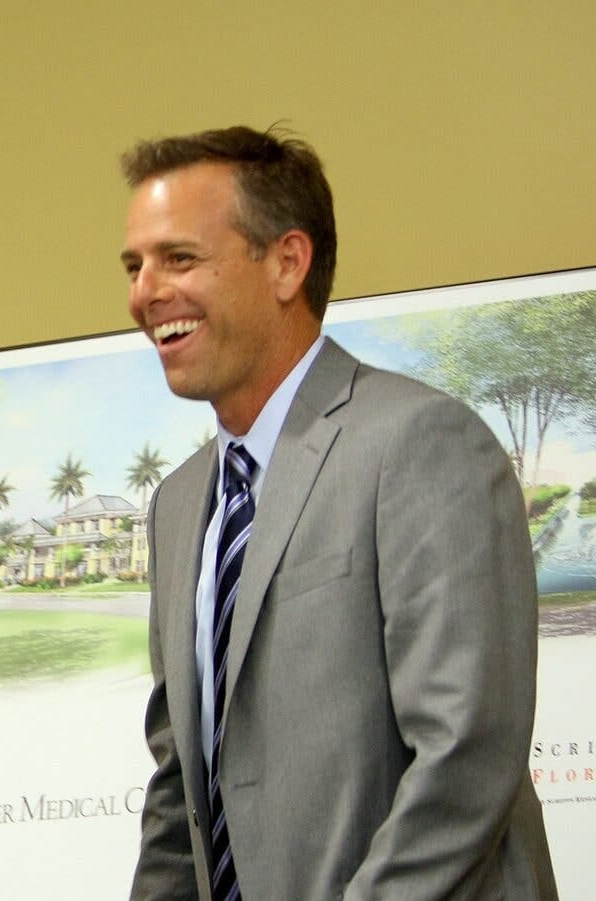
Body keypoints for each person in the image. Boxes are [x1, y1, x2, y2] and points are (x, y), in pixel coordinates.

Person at [120, 125, 558, 900]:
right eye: (135, 265)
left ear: (288, 262)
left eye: (178, 258)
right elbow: (179, 793)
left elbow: (465, 758)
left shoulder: (423, 442)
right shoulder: (179, 505)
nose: (144, 292)